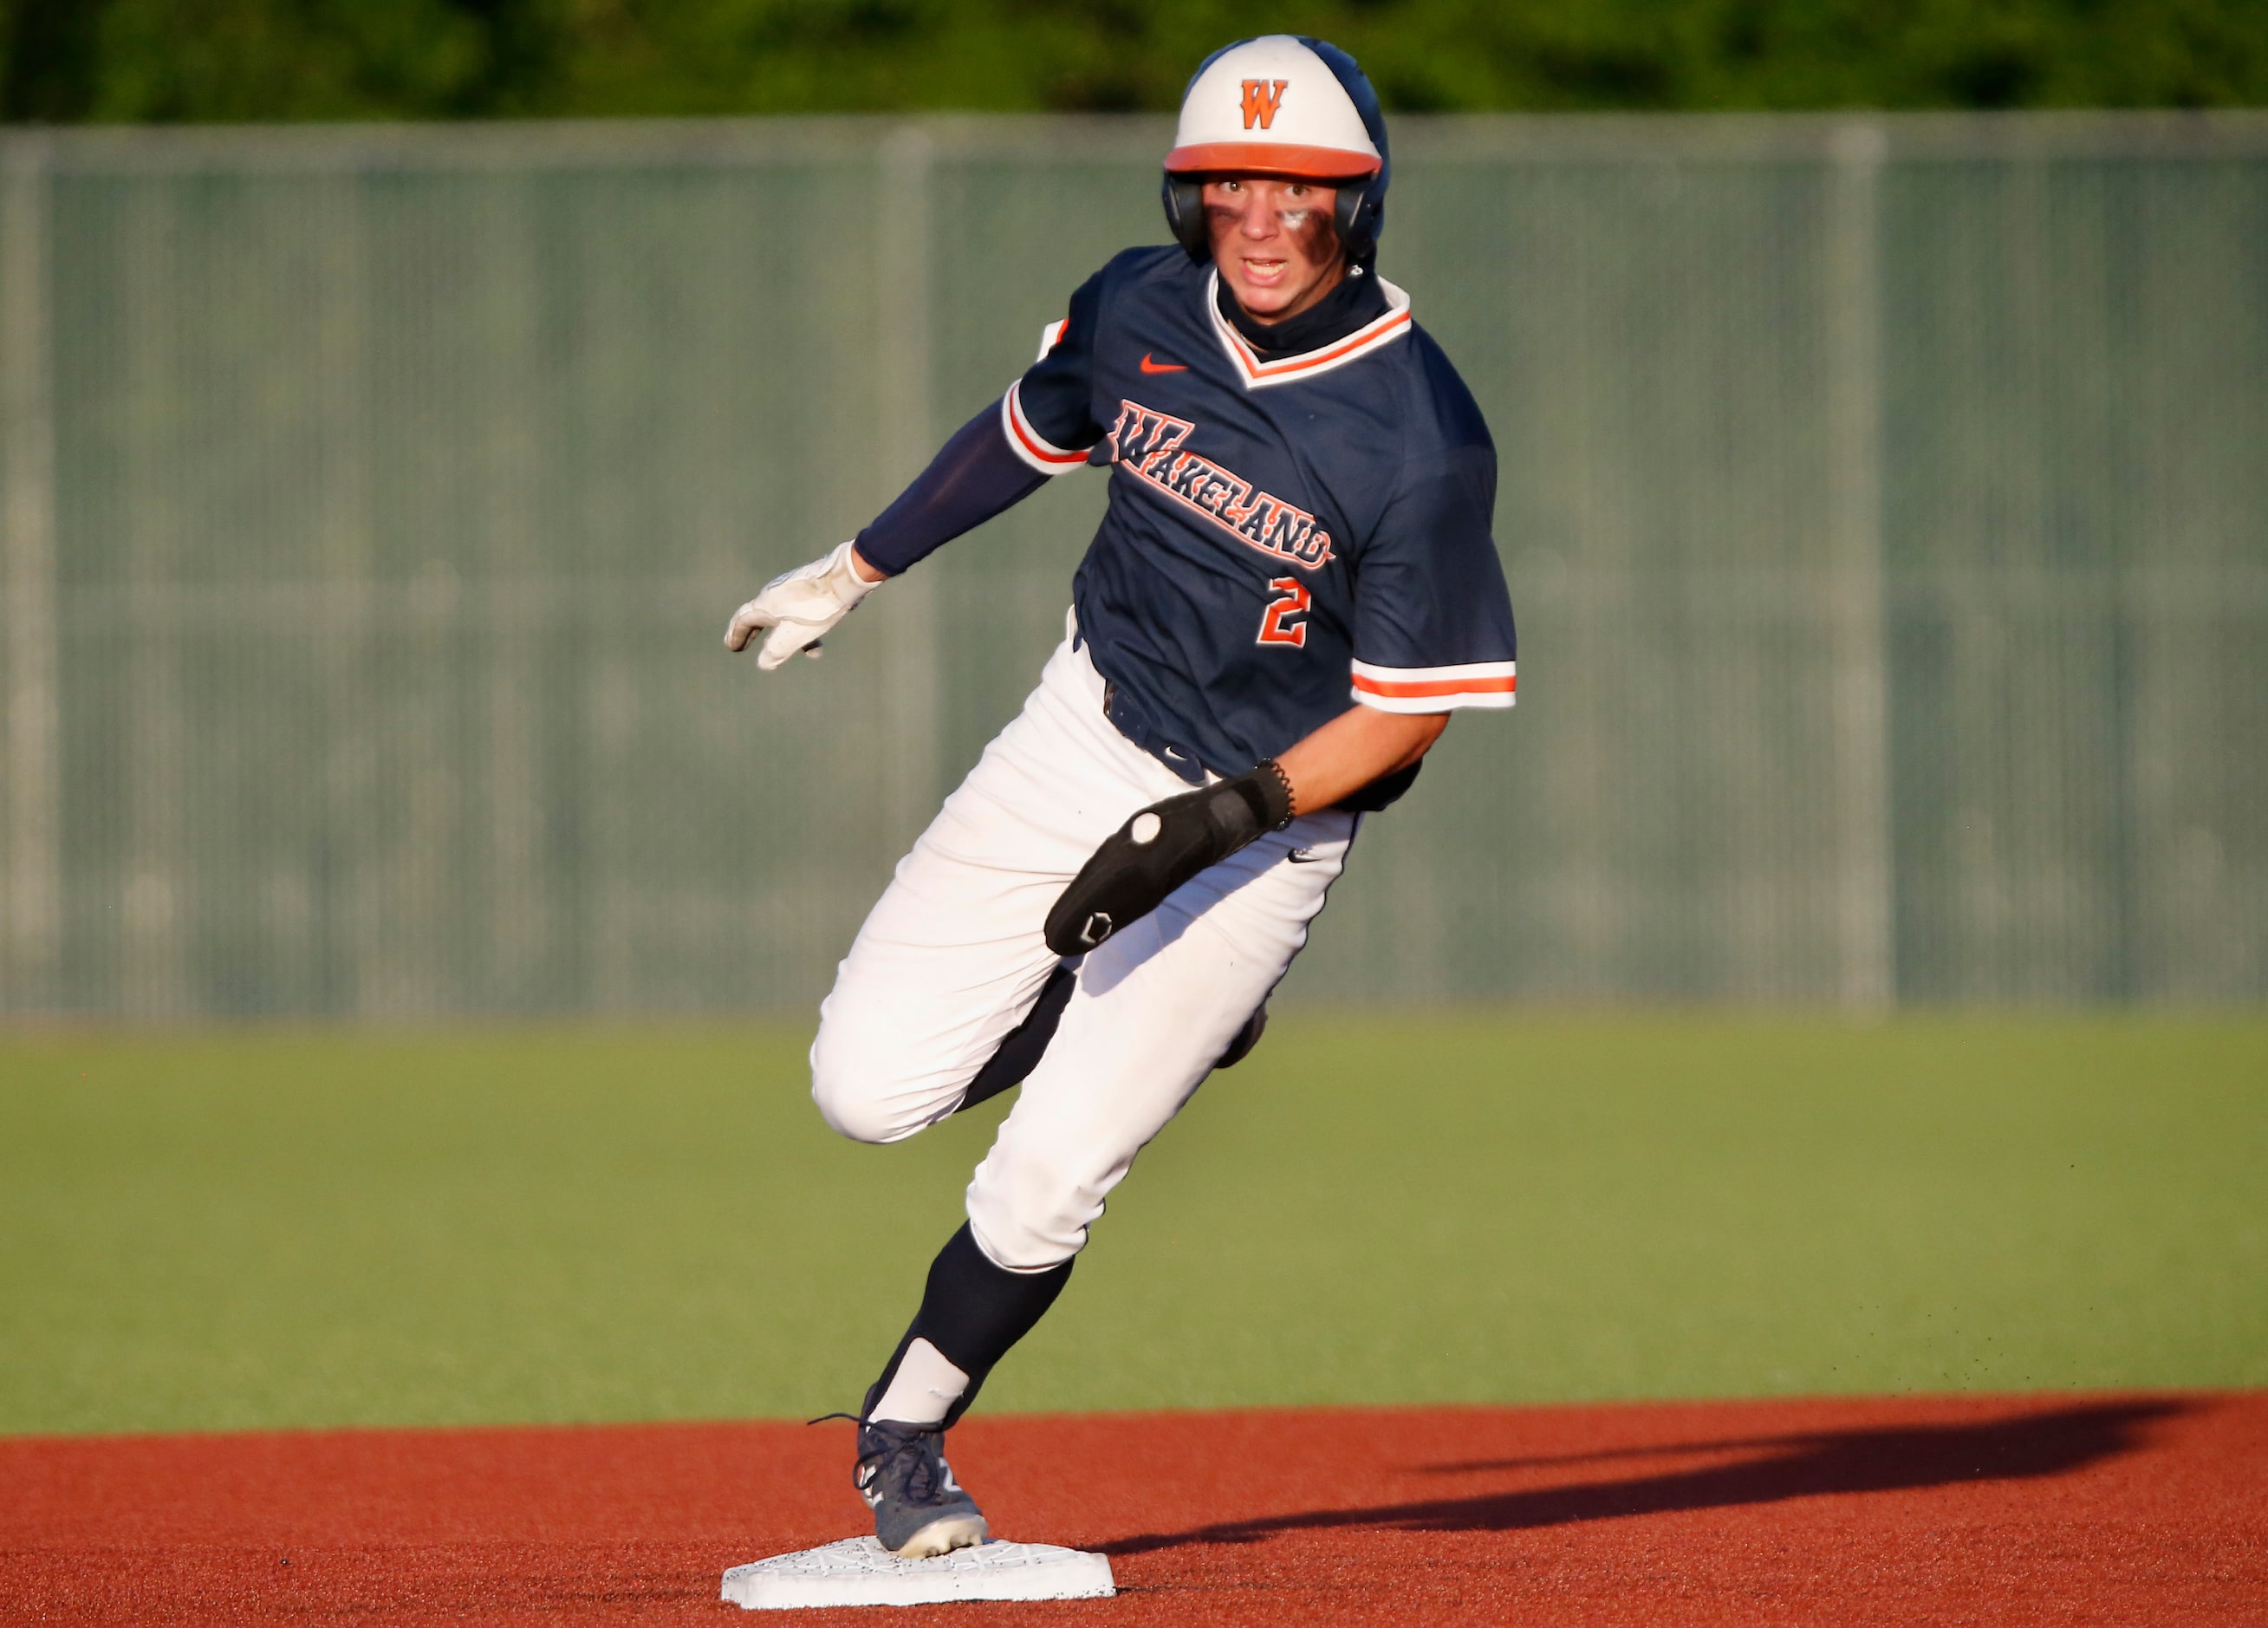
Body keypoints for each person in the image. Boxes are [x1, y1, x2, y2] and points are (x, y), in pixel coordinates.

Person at [725, 34, 1517, 1558]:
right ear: (1189, 200)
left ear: (1360, 206)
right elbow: (1028, 433)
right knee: (865, 1092)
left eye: (1303, 190)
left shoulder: (1417, 431)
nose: (1264, 219)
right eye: (1231, 186)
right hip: (1082, 730)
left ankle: (902, 1432)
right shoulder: (1139, 304)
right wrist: (853, 568)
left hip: (1265, 818)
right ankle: (1151, 1006)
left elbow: (1405, 722)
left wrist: (1219, 824)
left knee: (1047, 1176)